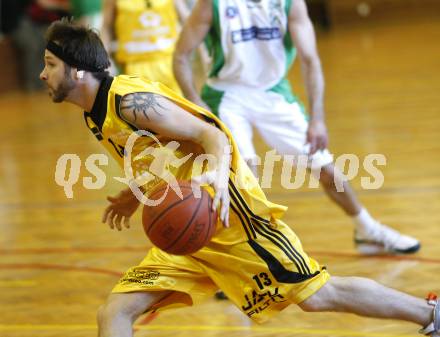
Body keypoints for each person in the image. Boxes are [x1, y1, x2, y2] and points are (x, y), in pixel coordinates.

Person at [40, 18, 439, 337]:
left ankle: (430, 313)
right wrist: (135, 191)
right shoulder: (94, 112)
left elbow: (210, 134)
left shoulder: (131, 103)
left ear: (77, 73)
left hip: (226, 215)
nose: (43, 74)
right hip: (186, 234)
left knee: (317, 294)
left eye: (51, 65)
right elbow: (159, 153)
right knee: (115, 310)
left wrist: (214, 172)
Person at [172, 0, 421, 255]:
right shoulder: (212, 4)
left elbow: (310, 60)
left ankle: (367, 230)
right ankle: (239, 256)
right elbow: (180, 56)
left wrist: (318, 119)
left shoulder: (289, 4)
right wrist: (196, 101)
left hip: (273, 92)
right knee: (244, 174)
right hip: (227, 95)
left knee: (325, 169)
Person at [100, 0, 192, 94]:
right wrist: (104, 60)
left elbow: (187, 20)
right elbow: (106, 27)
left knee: (176, 107)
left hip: (170, 65)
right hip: (134, 68)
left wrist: (201, 54)